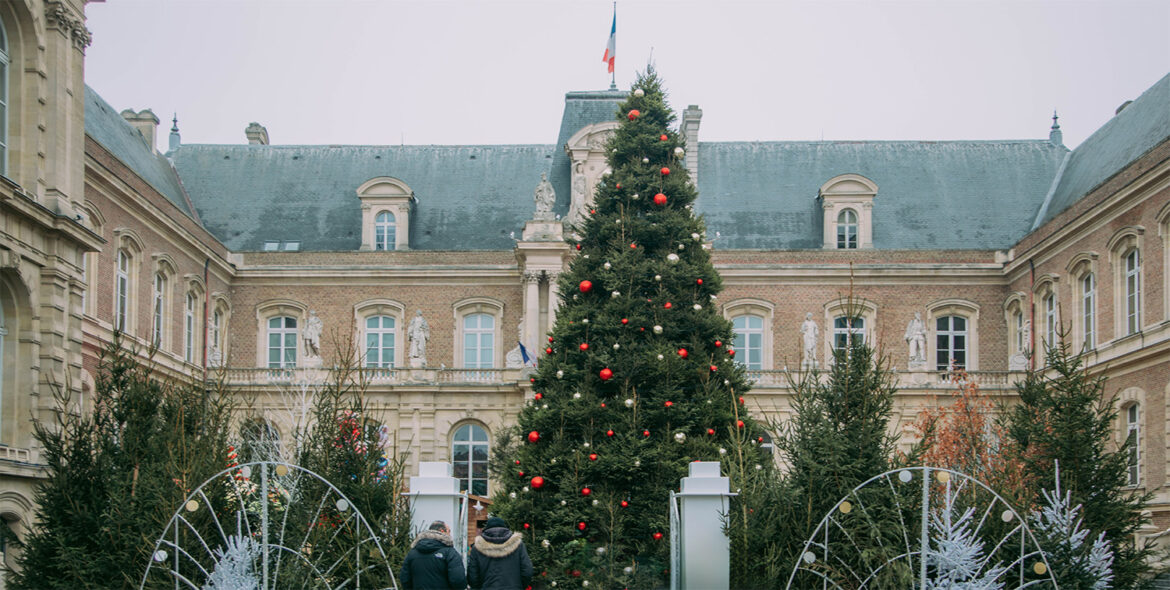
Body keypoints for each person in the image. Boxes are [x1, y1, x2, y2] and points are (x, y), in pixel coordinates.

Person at [467, 516, 533, 590]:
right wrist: (519, 586)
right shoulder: (518, 545)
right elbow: (527, 571)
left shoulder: (477, 548)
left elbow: (473, 576)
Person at [399, 520, 467, 590]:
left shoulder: (412, 553)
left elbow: (405, 579)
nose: (450, 534)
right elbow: (458, 579)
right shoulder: (450, 553)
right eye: (449, 531)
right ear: (442, 531)